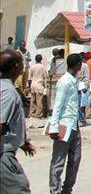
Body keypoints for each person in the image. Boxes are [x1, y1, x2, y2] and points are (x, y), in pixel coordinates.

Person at [1, 50, 36, 193]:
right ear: (16, 66)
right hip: (3, 157)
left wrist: (21, 142)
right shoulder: (8, 92)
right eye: (22, 62)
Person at [48, 53, 83, 194]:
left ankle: (67, 190)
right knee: (59, 160)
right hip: (64, 125)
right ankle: (54, 190)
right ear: (77, 65)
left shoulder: (73, 80)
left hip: (74, 125)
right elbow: (58, 106)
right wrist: (53, 127)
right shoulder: (65, 82)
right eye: (80, 63)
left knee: (75, 159)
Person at [29, 54, 49, 119]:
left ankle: (32, 114)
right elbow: (45, 76)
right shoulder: (42, 67)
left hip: (33, 85)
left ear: (35, 59)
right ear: (41, 59)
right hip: (39, 85)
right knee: (39, 101)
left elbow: (29, 78)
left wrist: (29, 86)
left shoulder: (32, 67)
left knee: (33, 101)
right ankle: (39, 115)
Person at [76, 54, 91, 126]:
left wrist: (86, 86)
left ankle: (81, 120)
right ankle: (80, 119)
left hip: (82, 87)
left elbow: (87, 77)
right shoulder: (75, 66)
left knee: (81, 105)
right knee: (78, 104)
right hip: (75, 86)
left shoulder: (85, 66)